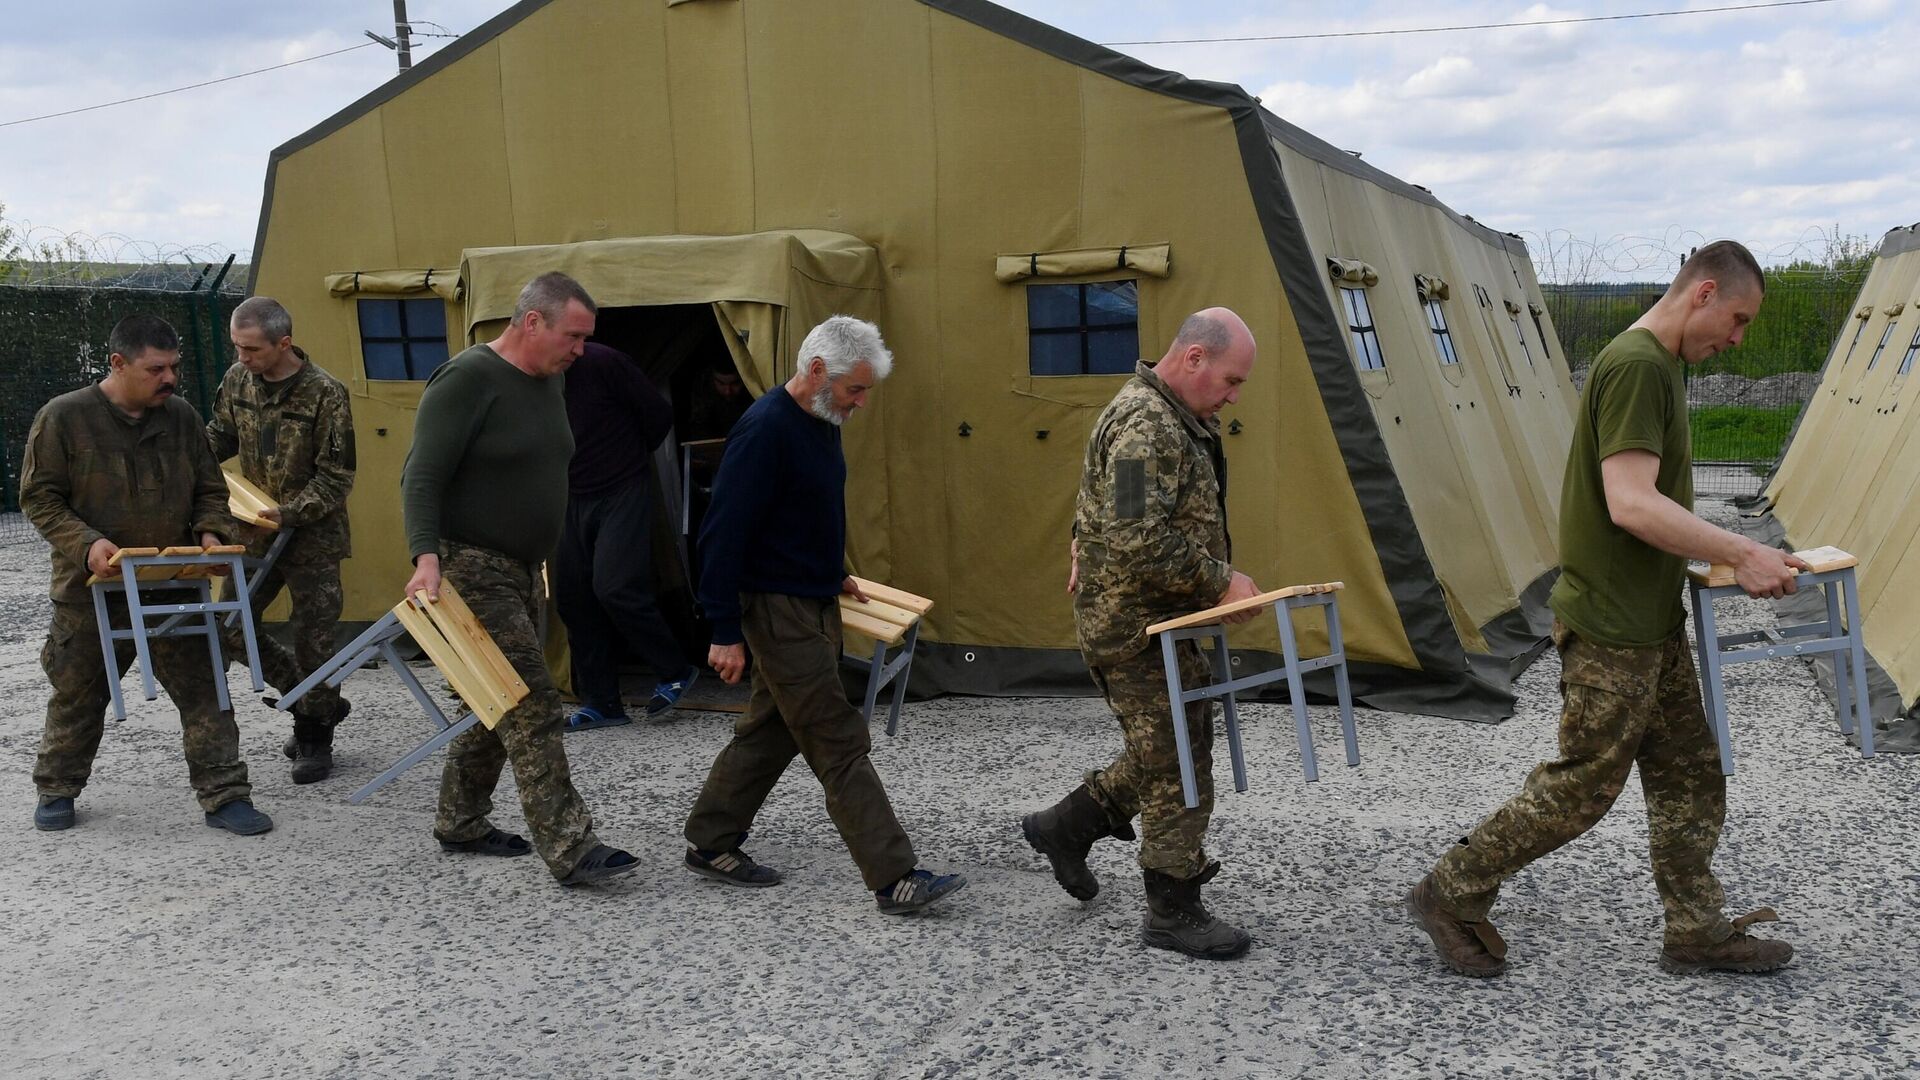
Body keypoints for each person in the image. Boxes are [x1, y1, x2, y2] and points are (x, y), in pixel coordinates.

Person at [1408, 240, 1804, 977]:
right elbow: (1629, 503)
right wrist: (1739, 552)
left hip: (1648, 623)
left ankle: (1695, 930)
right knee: (1582, 786)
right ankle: (1451, 889)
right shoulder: (1636, 366)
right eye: (1739, 319)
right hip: (1611, 628)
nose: (1738, 339)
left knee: (1690, 772)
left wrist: (1717, 556)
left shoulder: (1659, 366)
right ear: (1704, 292)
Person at [682, 316, 966, 915]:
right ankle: (895, 877)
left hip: (813, 597)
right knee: (835, 735)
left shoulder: (822, 419)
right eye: (855, 390)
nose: (861, 403)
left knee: (774, 724)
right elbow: (722, 536)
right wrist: (724, 631)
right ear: (816, 373)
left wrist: (831, 567)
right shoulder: (763, 432)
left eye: (864, 391)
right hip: (775, 607)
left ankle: (710, 840)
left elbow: (806, 509)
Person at [1019, 309, 1262, 961]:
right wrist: (1219, 582)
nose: (1234, 395)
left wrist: (1079, 539)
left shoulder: (1168, 413)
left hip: (1161, 617)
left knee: (1168, 745)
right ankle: (1172, 909)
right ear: (1192, 359)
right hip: (1132, 625)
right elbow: (1134, 536)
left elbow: (1098, 501)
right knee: (1177, 755)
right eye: (1231, 379)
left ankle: (1066, 826)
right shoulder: (1145, 423)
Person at [401, 272, 638, 886]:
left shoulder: (549, 379)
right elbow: (421, 476)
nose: (580, 349)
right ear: (532, 322)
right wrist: (424, 558)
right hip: (469, 565)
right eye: (574, 335)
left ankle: (460, 821)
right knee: (530, 702)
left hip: (524, 569)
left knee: (493, 703)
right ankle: (571, 846)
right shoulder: (467, 381)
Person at [21, 314, 271, 836]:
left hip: (175, 582)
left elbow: (211, 487)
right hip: (91, 588)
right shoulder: (63, 418)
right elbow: (40, 498)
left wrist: (210, 532)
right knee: (78, 691)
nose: (170, 378)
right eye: (156, 368)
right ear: (117, 364)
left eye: (174, 366)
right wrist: (87, 544)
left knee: (207, 690)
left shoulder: (179, 418)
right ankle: (57, 787)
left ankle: (225, 794)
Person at [205, 296, 356, 783]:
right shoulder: (236, 380)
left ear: (283, 343)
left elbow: (336, 475)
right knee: (229, 625)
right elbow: (220, 436)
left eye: (251, 349)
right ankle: (315, 699)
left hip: (312, 536)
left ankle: (314, 736)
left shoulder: (325, 393)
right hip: (253, 532)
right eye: (237, 347)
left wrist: (289, 513)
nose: (242, 358)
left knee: (314, 639)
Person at [553, 342, 696, 731]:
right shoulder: (528, 369)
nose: (574, 347)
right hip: (567, 493)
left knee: (615, 586)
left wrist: (626, 456)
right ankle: (601, 701)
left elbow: (657, 414)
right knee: (571, 594)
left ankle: (675, 669)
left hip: (621, 485)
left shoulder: (604, 362)